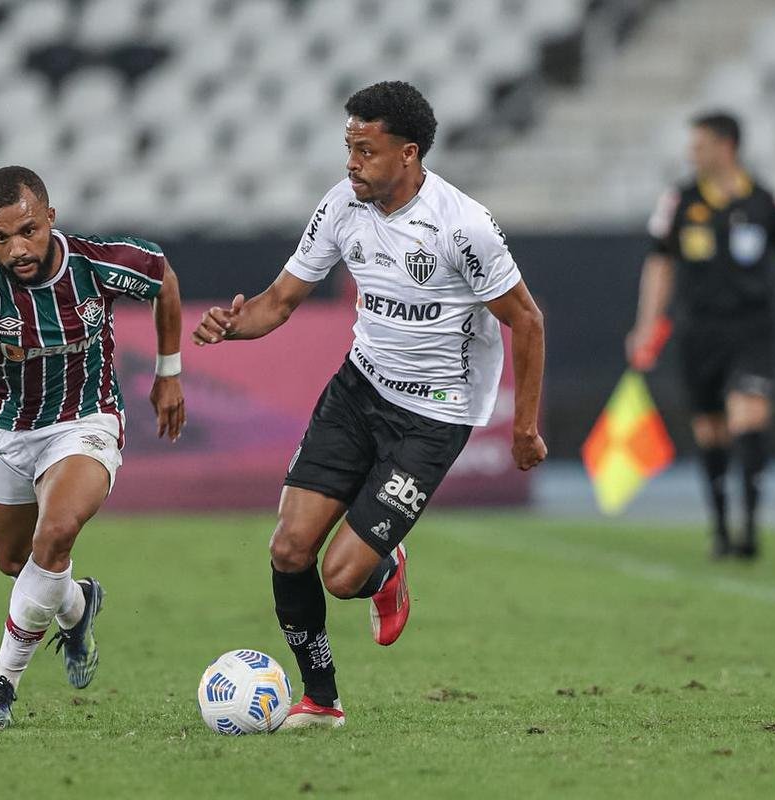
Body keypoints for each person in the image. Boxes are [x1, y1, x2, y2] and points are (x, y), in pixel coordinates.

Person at [192, 81, 546, 728]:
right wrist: (231, 327)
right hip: (358, 391)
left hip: (434, 417)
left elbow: (526, 320)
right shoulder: (341, 206)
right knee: (289, 549)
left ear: (407, 154)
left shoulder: (461, 227)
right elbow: (279, 301)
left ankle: (383, 571)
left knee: (342, 575)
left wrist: (523, 426)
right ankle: (321, 700)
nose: (351, 162)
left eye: (365, 150)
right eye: (347, 148)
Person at [0, 165, 185, 728]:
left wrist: (169, 371)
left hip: (86, 422)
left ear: (51, 218)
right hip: (10, 435)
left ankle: (1, 683)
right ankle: (78, 605)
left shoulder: (97, 263)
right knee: (16, 560)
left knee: (55, 532)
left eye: (28, 231)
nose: (16, 248)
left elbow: (164, 279)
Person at [628, 112, 775, 560]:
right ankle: (720, 526)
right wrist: (647, 323)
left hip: (751, 329)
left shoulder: (765, 200)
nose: (691, 154)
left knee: (748, 417)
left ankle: (750, 529)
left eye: (699, 146)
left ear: (725, 146)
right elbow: (660, 263)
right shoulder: (680, 200)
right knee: (711, 429)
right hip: (699, 332)